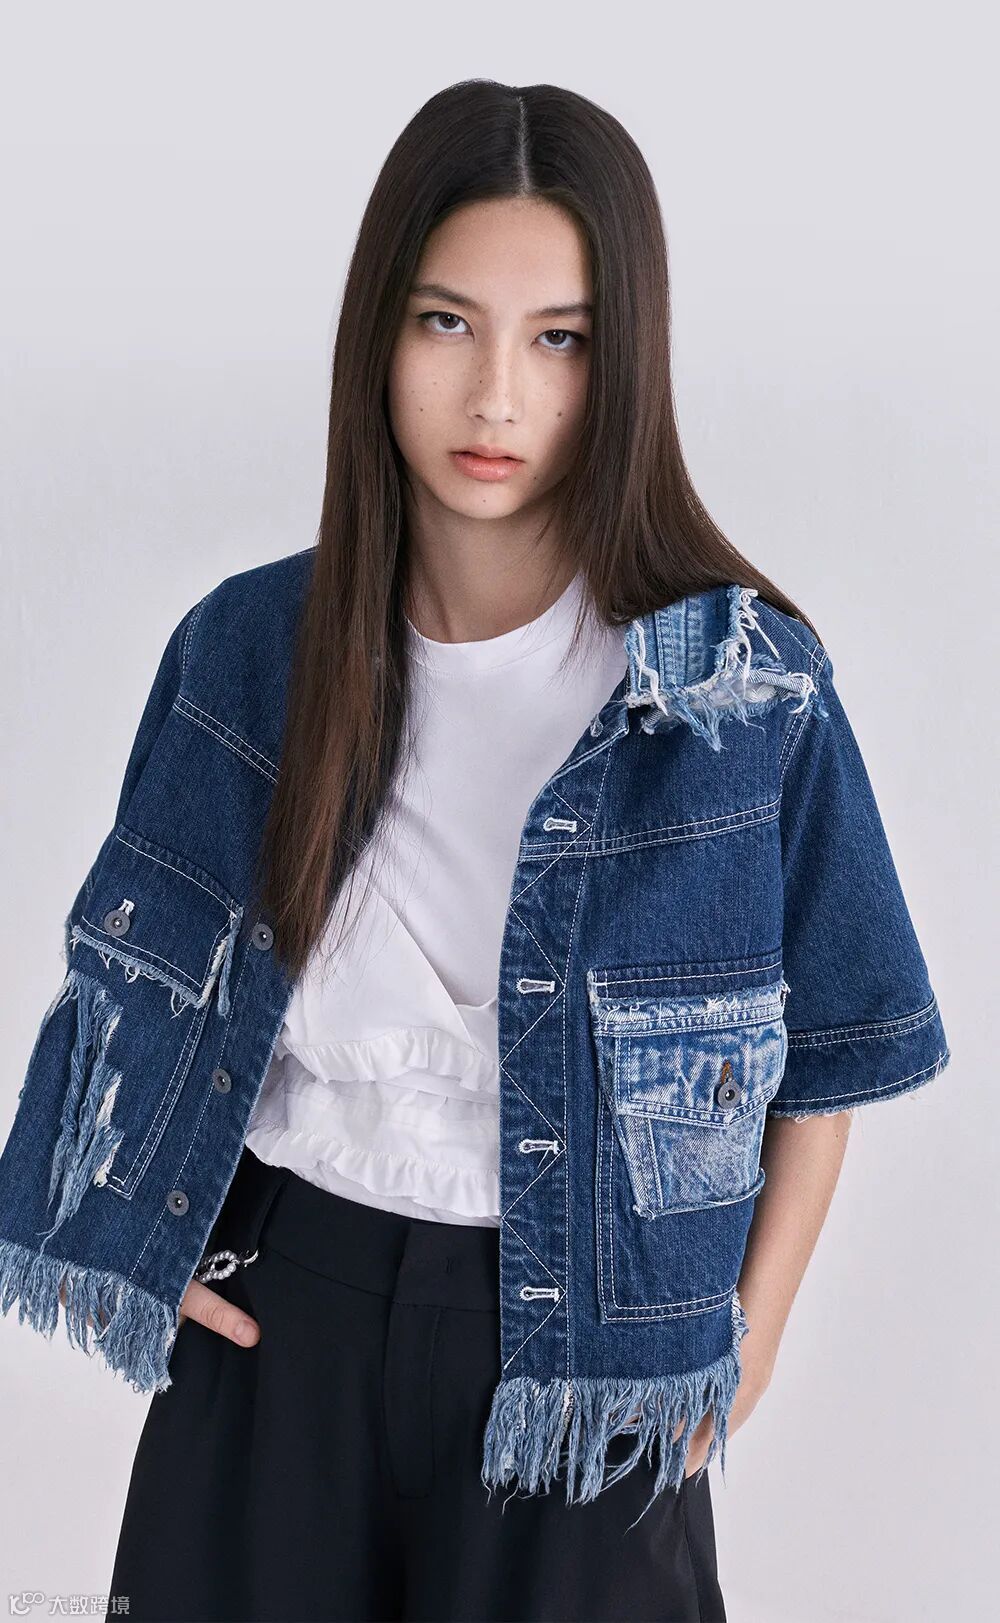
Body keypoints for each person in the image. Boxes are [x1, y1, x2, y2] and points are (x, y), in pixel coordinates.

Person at [0, 80, 949, 1623]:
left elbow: (833, 1058)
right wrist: (135, 1236)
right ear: (377, 335)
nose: (496, 395)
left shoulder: (735, 690)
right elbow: (133, 985)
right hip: (283, 1315)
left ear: (623, 364)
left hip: (586, 1361)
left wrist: (746, 1346)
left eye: (559, 339)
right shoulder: (247, 651)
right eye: (447, 323)